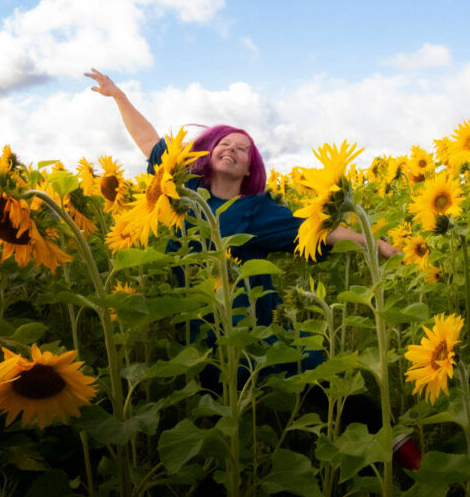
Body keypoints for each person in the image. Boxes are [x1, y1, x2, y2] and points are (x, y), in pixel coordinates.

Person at [85, 68, 400, 329]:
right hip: (195, 318)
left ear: (251, 168)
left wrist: (376, 244)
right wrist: (119, 96)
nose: (230, 149)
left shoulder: (257, 210)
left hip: (246, 325)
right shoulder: (183, 189)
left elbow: (316, 228)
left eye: (241, 149)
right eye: (224, 144)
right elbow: (148, 140)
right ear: (209, 153)